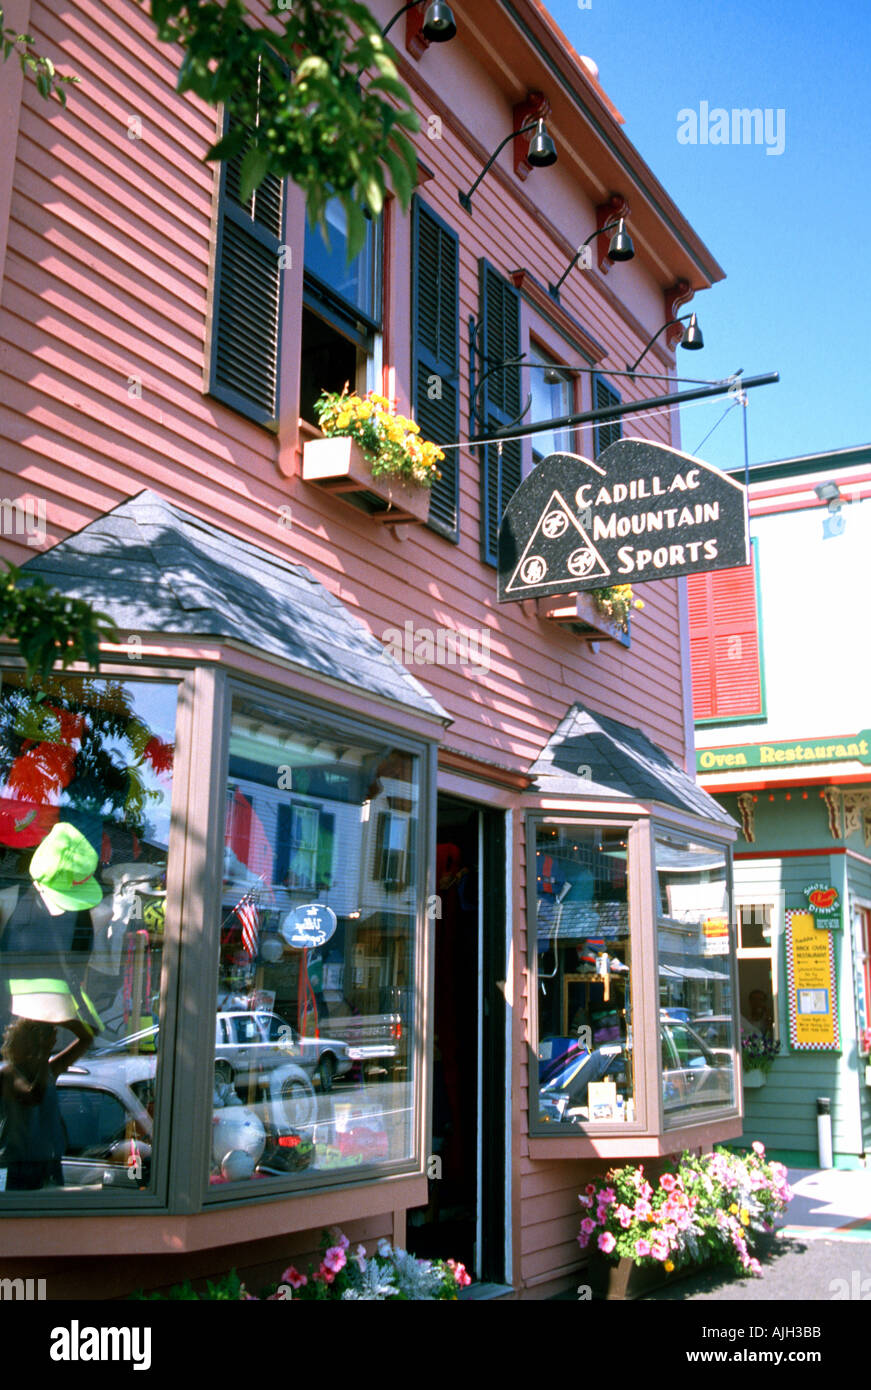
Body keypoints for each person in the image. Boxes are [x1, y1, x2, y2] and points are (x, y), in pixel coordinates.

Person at [0, 1018, 91, 1190]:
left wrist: (65, 1020)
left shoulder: (48, 1070)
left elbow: (87, 1038)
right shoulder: (9, 1074)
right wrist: (44, 1052)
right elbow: (34, 1096)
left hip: (49, 1163)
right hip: (20, 1165)